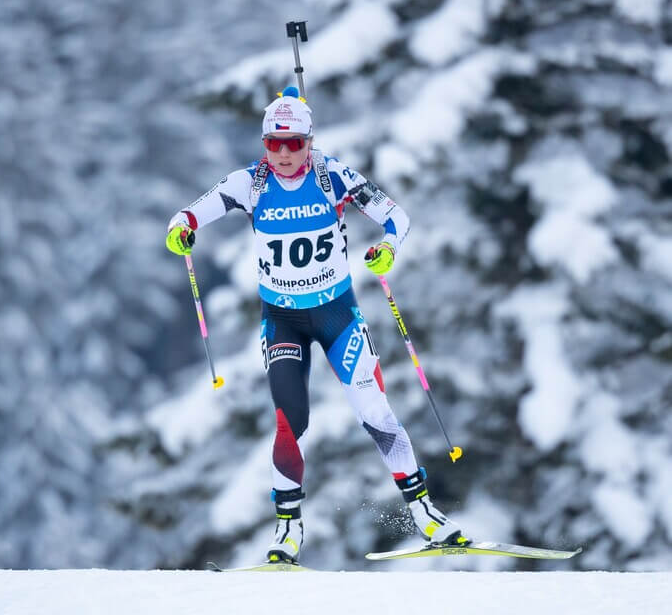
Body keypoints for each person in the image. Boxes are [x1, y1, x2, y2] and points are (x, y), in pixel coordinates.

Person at [165, 86, 464, 564]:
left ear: (310, 141)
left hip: (336, 313)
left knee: (375, 413)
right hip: (283, 319)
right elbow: (188, 216)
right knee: (290, 421)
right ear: (264, 144)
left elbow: (397, 217)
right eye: (273, 144)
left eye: (295, 144)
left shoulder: (332, 176)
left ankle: (425, 513)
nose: (284, 155)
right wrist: (181, 231)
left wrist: (387, 247)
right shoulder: (251, 183)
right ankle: (288, 531)